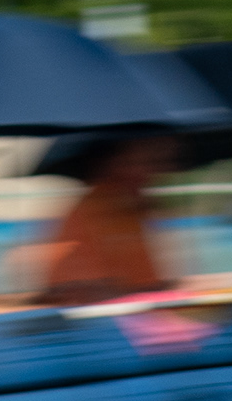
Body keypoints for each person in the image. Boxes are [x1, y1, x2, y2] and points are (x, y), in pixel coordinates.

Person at [22, 131, 182, 306]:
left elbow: (145, 282)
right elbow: (85, 293)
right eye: (145, 161)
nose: (157, 171)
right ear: (112, 164)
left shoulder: (129, 210)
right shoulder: (95, 211)